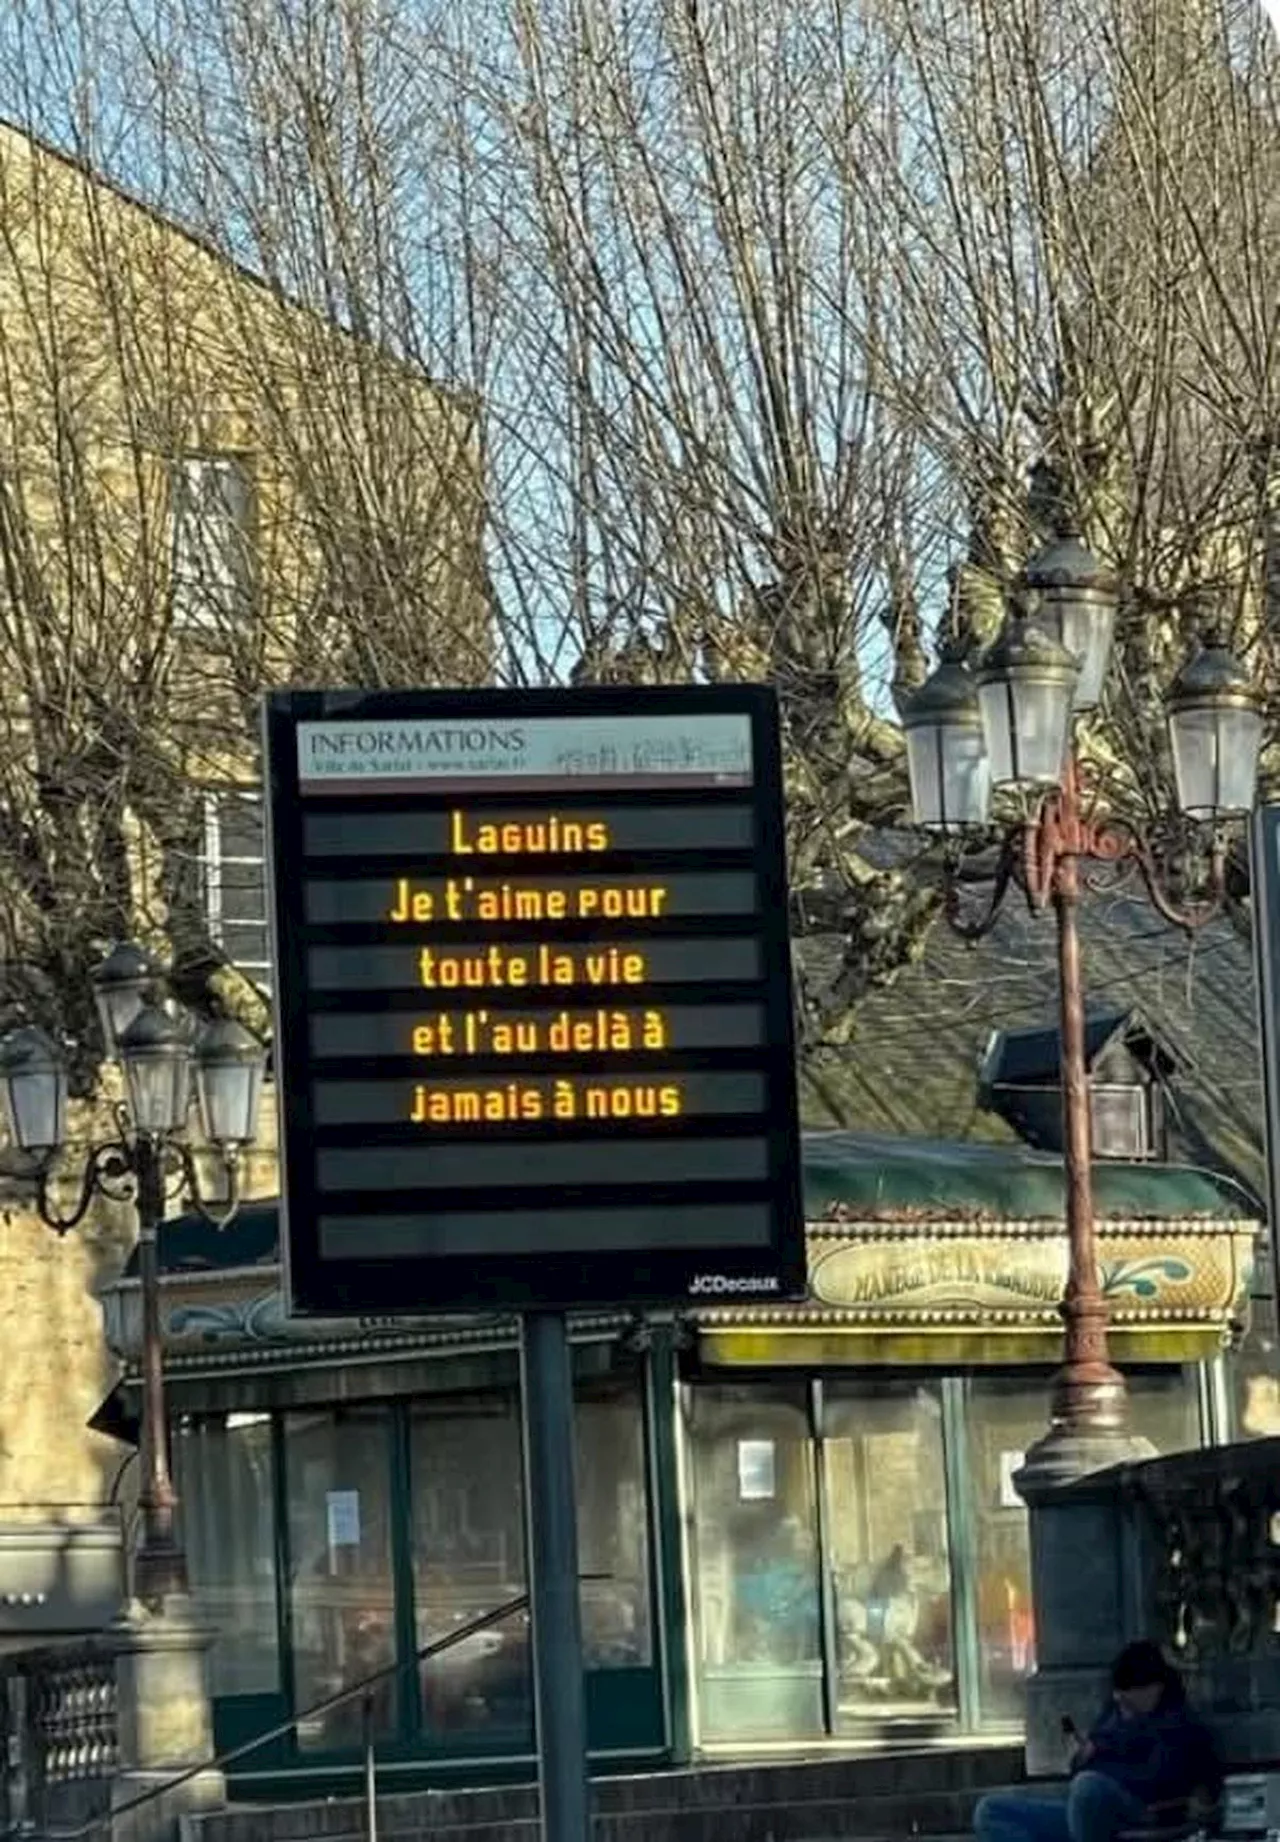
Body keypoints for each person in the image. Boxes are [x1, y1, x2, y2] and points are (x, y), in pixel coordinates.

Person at [974, 1642, 1218, 1842]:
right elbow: (1084, 1763)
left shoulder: (1178, 1723)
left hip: (1141, 1810)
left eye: (1127, 1692)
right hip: (1089, 1811)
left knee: (1088, 1788)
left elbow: (1154, 1781)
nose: (1119, 1699)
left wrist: (1102, 1755)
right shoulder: (1115, 1714)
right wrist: (1084, 1756)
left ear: (1153, 1688)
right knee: (992, 1811)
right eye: (1117, 1693)